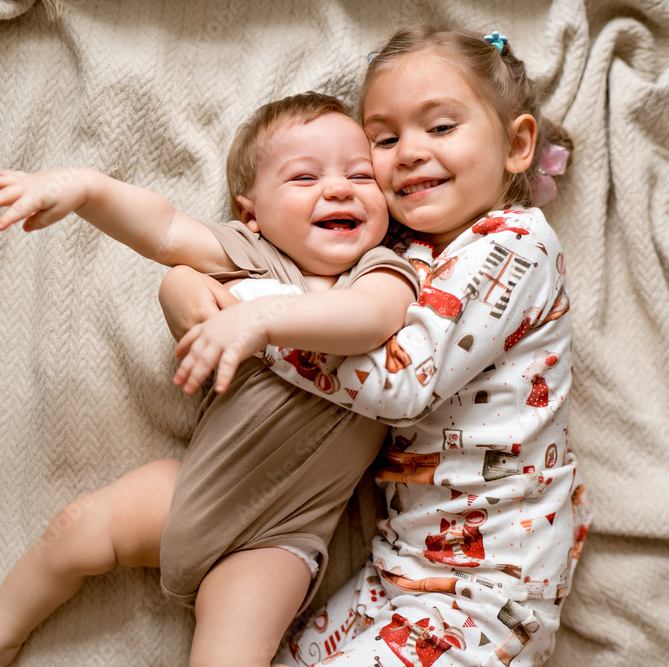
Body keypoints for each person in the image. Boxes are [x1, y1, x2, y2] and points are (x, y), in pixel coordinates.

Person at [0, 92, 418, 667]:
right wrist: (88, 189)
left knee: (227, 653)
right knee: (76, 527)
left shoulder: (382, 271)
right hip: (192, 488)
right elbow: (162, 229)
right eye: (304, 177)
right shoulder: (252, 256)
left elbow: (368, 320)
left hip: (278, 538)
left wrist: (260, 320)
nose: (338, 189)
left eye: (360, 176)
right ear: (252, 215)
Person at [166, 25, 592, 667]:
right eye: (385, 140)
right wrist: (184, 283)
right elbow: (278, 266)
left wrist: (251, 318)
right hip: (399, 569)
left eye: (440, 127)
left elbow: (401, 382)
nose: (410, 152)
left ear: (516, 145)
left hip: (488, 593)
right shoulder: (399, 250)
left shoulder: (515, 243)